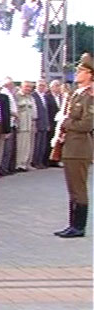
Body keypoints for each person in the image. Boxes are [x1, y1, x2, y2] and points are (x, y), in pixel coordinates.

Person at [54, 53, 93, 238]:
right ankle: (72, 224)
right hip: (71, 147)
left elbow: (87, 125)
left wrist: (65, 122)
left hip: (80, 148)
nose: (77, 73)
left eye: (81, 71)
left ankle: (79, 227)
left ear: (90, 74)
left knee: (78, 188)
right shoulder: (77, 94)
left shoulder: (89, 97)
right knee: (72, 189)